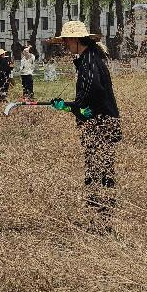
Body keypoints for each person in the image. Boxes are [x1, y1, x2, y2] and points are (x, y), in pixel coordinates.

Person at [49, 20, 121, 228]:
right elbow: (89, 95)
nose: (65, 44)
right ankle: (100, 217)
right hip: (101, 122)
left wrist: (75, 108)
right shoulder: (90, 58)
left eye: (66, 40)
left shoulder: (89, 61)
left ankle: (101, 220)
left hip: (100, 125)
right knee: (101, 170)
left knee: (97, 172)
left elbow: (94, 90)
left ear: (75, 39)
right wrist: (73, 107)